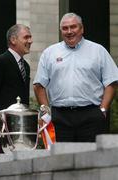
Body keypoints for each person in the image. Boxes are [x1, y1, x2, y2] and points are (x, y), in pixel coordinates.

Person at [33, 12, 118, 143]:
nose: (69, 31)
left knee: (91, 160)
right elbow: (39, 85)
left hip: (91, 116)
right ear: (61, 31)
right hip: (59, 118)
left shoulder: (98, 50)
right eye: (65, 28)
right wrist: (46, 112)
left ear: (82, 29)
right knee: (60, 160)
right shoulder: (49, 53)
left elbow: (111, 82)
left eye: (73, 27)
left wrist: (103, 109)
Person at [0, 24, 33, 152]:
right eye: (26, 37)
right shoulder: (0, 62)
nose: (30, 41)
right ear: (13, 40)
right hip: (0, 130)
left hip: (20, 131)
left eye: (30, 37)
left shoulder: (26, 66)